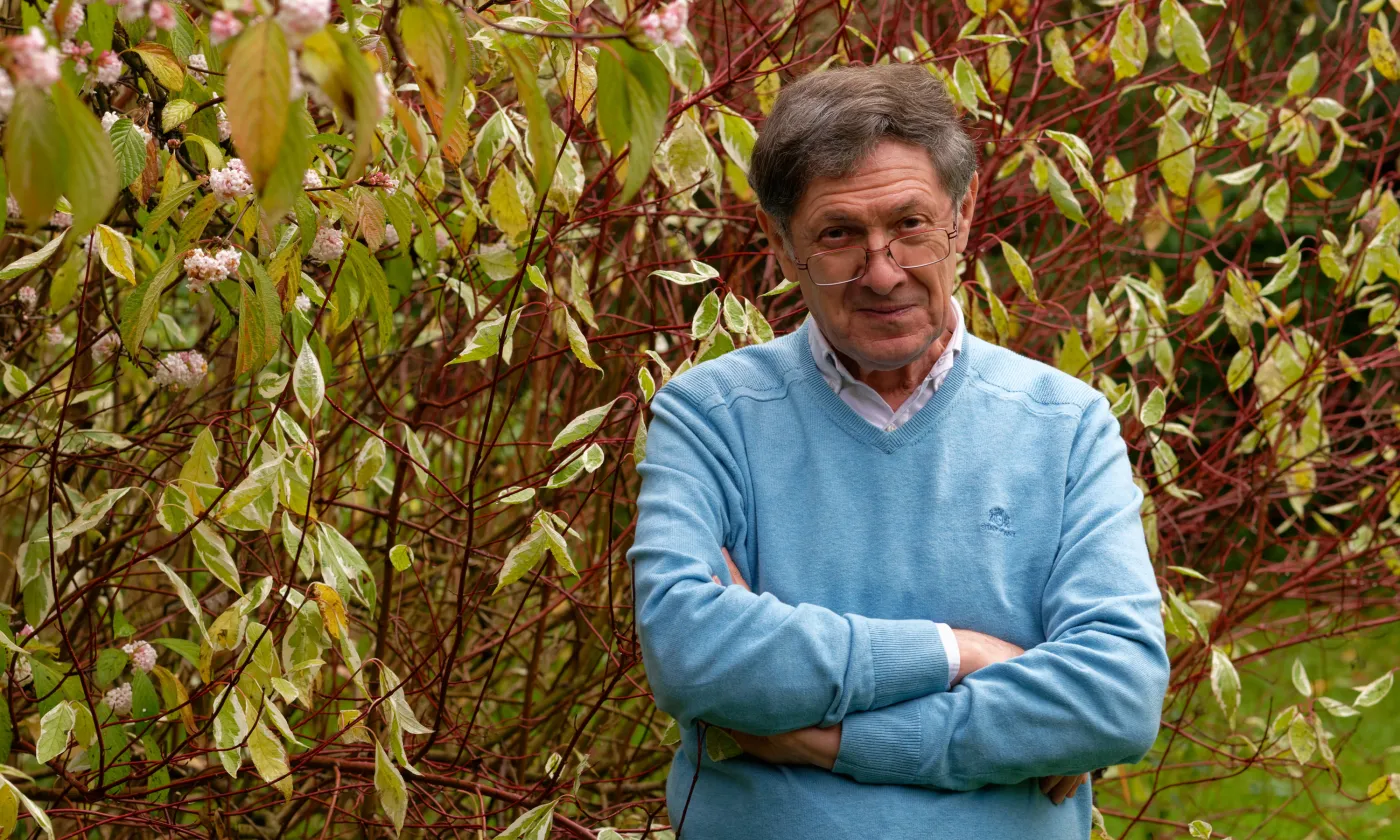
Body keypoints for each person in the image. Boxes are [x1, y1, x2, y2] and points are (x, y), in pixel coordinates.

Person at [627, 63, 1170, 839]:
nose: (882, 274)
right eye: (839, 235)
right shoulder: (712, 420)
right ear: (782, 244)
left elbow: (1116, 698)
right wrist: (961, 654)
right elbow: (692, 654)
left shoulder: (1067, 427)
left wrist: (831, 743)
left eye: (910, 225)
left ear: (962, 215)